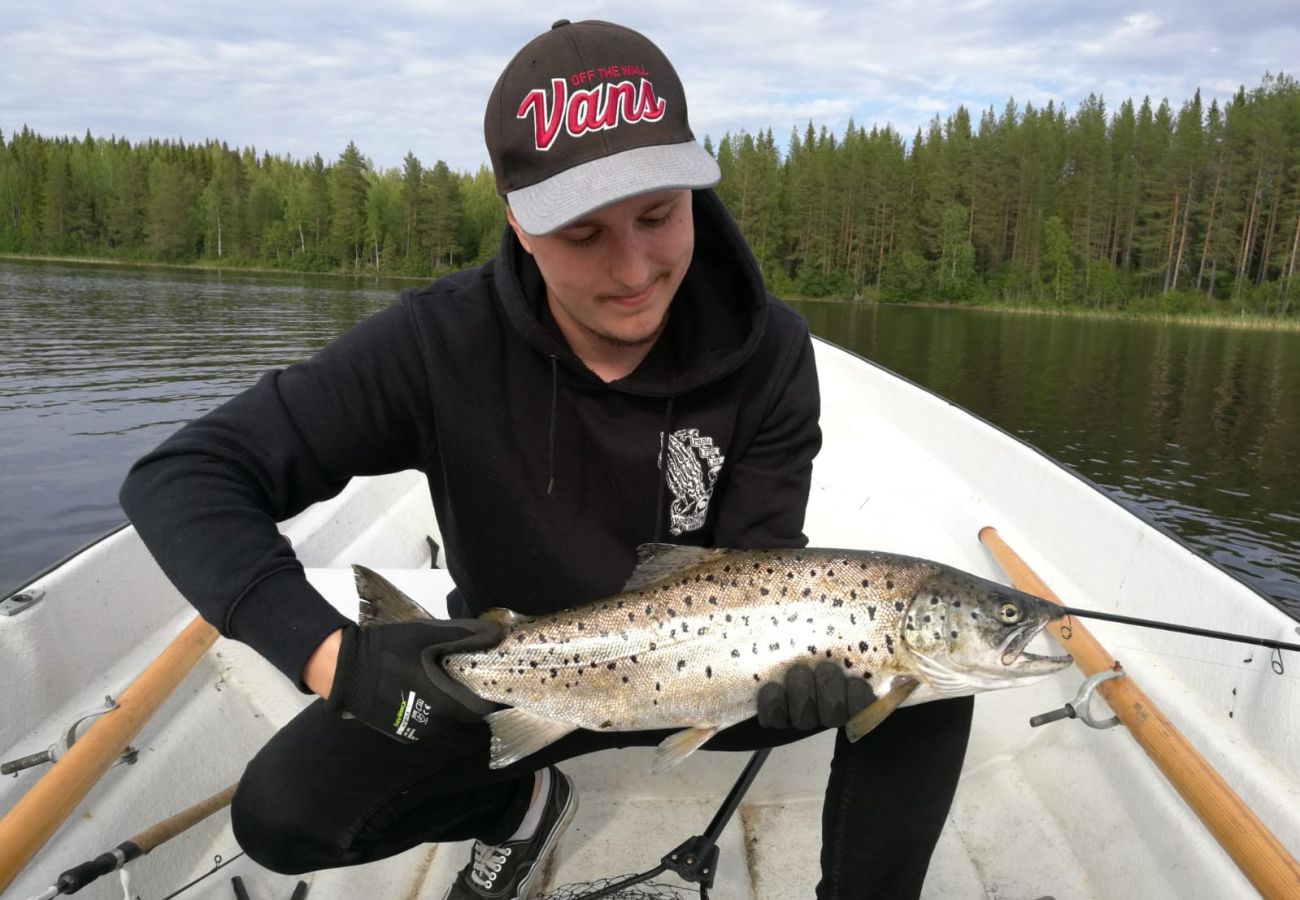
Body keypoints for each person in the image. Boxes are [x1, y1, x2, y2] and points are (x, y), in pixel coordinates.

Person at [119, 19, 972, 900]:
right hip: (499, 672)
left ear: (692, 187)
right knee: (281, 817)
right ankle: (520, 803)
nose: (634, 268)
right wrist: (331, 655)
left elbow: (759, 563)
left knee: (933, 684)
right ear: (520, 223)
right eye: (582, 233)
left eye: (657, 215)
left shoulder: (771, 351)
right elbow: (184, 477)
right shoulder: (433, 343)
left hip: (715, 675)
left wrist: (810, 685)